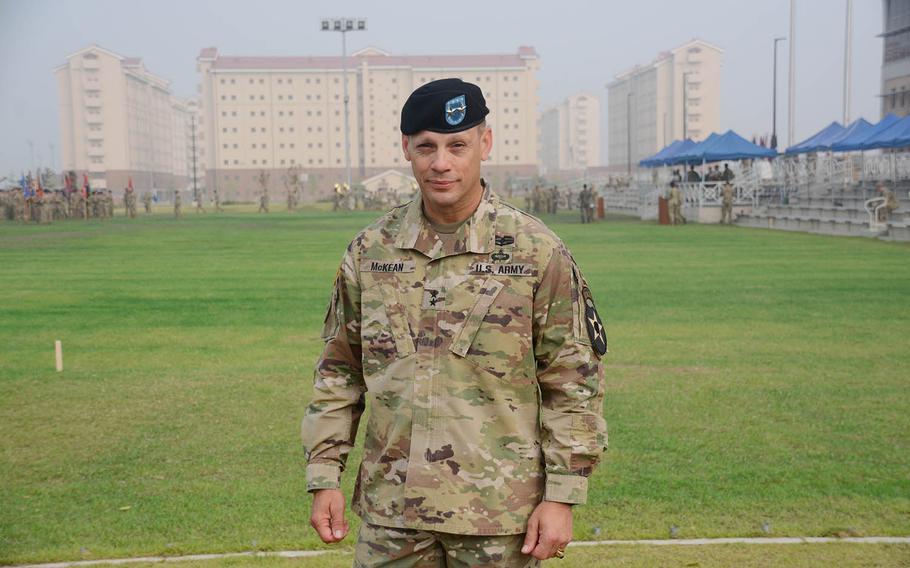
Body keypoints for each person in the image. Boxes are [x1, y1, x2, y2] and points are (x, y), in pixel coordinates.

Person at [302, 78, 608, 567]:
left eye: (457, 145)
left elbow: (572, 380)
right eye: (426, 147)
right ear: (407, 149)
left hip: (499, 518)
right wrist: (324, 475)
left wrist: (563, 494)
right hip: (391, 516)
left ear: (484, 144)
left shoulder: (535, 250)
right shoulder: (370, 251)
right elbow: (339, 371)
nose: (441, 163)